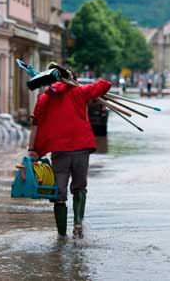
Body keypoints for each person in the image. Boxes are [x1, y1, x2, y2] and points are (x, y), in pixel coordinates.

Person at [28, 66, 111, 239]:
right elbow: (105, 84)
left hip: (59, 151)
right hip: (81, 148)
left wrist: (33, 150)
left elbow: (36, 124)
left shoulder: (43, 98)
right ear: (71, 79)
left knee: (59, 191)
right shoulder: (80, 92)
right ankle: (78, 223)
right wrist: (76, 85)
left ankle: (61, 235)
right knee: (80, 187)